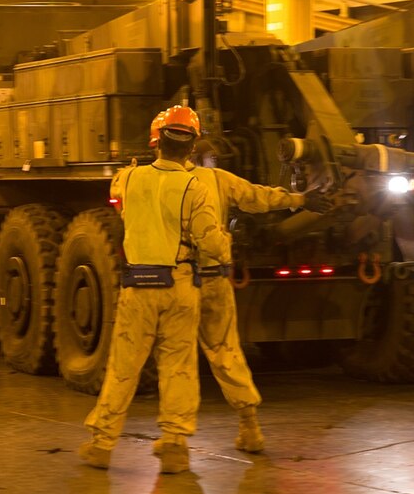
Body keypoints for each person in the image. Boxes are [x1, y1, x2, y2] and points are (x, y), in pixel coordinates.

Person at [147, 110, 333, 453]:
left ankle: (174, 441)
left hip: (177, 284)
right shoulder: (216, 179)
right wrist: (302, 200)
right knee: (226, 352)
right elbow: (259, 197)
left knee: (176, 358)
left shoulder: (149, 180)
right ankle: (250, 427)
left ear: (158, 144)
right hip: (216, 281)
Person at [80, 105, 232, 474]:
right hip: (180, 287)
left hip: (138, 286)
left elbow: (118, 198)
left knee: (123, 366)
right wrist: (225, 242)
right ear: (193, 146)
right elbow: (211, 245)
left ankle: (102, 444)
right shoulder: (195, 187)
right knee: (178, 367)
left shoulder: (128, 179)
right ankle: (175, 447)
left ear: (155, 141)